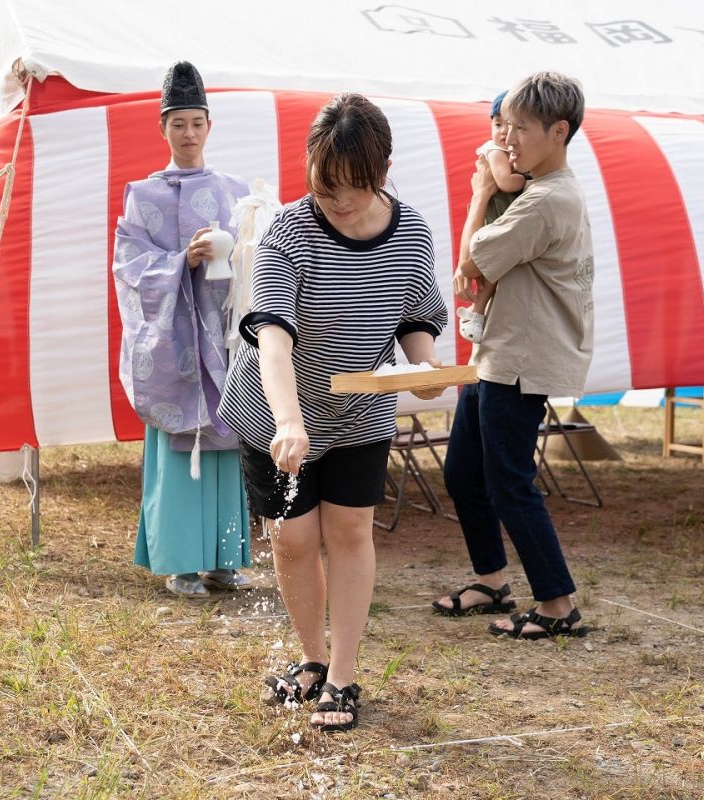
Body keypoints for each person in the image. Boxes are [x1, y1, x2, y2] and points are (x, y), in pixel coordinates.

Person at [219, 93, 450, 731]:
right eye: (325, 187)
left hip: (358, 413)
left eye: (352, 187)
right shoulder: (290, 230)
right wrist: (288, 420)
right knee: (292, 542)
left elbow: (415, 320)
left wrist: (425, 368)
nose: (339, 201)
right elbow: (272, 332)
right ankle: (311, 661)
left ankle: (343, 677)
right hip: (274, 405)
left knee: (349, 535)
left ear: (381, 170)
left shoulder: (413, 230)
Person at [433, 71, 594, 640]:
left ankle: (556, 603)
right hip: (498, 351)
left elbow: (474, 258)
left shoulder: (547, 200)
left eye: (520, 129)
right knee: (463, 473)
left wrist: (480, 193)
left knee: (509, 481)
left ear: (558, 131)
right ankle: (492, 581)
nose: (508, 140)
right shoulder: (543, 191)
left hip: (520, 358)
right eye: (505, 127)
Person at [113, 61, 253, 598]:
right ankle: (181, 563)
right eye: (178, 124)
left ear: (209, 126)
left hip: (222, 338)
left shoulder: (236, 189)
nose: (188, 134)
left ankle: (224, 560)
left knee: (227, 447)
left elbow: (261, 250)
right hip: (175, 346)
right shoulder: (142, 196)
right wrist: (180, 263)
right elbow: (128, 266)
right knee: (179, 452)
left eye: (197, 122)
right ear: (163, 128)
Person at [458, 90, 528, 344]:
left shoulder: (510, 152)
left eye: (508, 124)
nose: (502, 131)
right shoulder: (494, 150)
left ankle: (476, 313)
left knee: (492, 277)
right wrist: (529, 179)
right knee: (487, 270)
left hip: (499, 217)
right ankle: (475, 313)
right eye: (497, 124)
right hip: (494, 218)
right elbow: (505, 182)